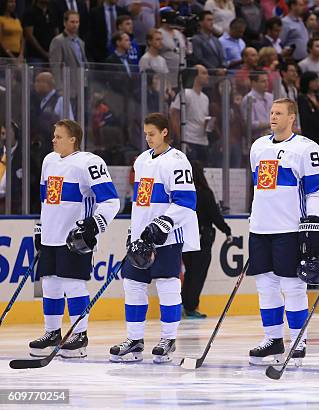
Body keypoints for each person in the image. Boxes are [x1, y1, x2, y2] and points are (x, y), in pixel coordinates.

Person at [109, 113, 199, 363]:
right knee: (133, 285)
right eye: (145, 133)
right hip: (141, 238)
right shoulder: (141, 161)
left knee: (167, 285)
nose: (148, 138)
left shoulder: (178, 161)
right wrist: (133, 232)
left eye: (152, 133)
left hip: (167, 238)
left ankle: (168, 339)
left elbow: (186, 202)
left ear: (165, 133)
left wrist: (164, 223)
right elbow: (140, 203)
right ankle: (134, 340)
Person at [247, 98, 319, 365]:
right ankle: (272, 339)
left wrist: (312, 222)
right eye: (271, 112)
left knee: (293, 286)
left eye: (279, 113)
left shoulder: (306, 148)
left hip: (289, 228)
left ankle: (297, 340)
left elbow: (318, 191)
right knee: (265, 286)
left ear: (292, 117)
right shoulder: (258, 146)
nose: (273, 116)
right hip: (260, 228)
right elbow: (258, 187)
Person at [30, 119, 120, 358]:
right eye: (54, 136)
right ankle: (52, 333)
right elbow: (45, 200)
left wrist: (93, 225)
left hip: (74, 238)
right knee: (50, 284)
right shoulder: (49, 161)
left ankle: (80, 335)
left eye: (59, 136)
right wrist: (41, 228)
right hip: (51, 236)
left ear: (73, 140)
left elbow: (111, 201)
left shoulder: (89, 162)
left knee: (73, 284)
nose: (53, 140)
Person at [181, 161, 232, 319]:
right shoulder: (204, 193)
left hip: (186, 238)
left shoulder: (183, 192)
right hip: (202, 239)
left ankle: (186, 305)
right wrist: (226, 230)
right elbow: (215, 216)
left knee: (190, 273)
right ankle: (190, 307)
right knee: (198, 274)